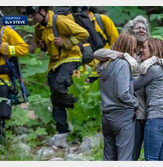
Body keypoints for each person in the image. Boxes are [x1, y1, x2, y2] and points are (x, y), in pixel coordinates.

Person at [95, 15, 163, 161]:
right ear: (130, 31)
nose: (141, 30)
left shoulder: (152, 50)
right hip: (134, 113)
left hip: (154, 114)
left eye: (144, 28)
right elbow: (98, 53)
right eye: (138, 28)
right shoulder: (128, 50)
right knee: (130, 155)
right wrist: (124, 55)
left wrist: (156, 60)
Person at [25, 6, 89, 147]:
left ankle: (79, 111)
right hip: (54, 63)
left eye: (33, 15)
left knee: (59, 86)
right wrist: (42, 45)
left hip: (71, 58)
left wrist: (66, 42)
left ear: (42, 11)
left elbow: (83, 33)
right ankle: (62, 130)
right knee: (55, 95)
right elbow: (39, 44)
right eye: (30, 16)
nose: (32, 18)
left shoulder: (59, 21)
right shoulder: (38, 28)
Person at [133, 38, 163, 161]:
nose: (141, 49)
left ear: (153, 50)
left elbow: (135, 86)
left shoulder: (154, 69)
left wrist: (121, 77)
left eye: (145, 47)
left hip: (157, 118)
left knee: (151, 159)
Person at [97, 33, 139, 161]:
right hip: (122, 115)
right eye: (134, 47)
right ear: (129, 48)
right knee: (124, 158)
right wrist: (135, 102)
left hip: (106, 116)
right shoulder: (123, 64)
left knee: (109, 157)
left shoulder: (105, 65)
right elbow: (122, 93)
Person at [0, 11, 29, 142]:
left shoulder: (5, 31)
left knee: (2, 115)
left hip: (3, 81)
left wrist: (7, 49)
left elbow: (24, 48)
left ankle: (2, 143)